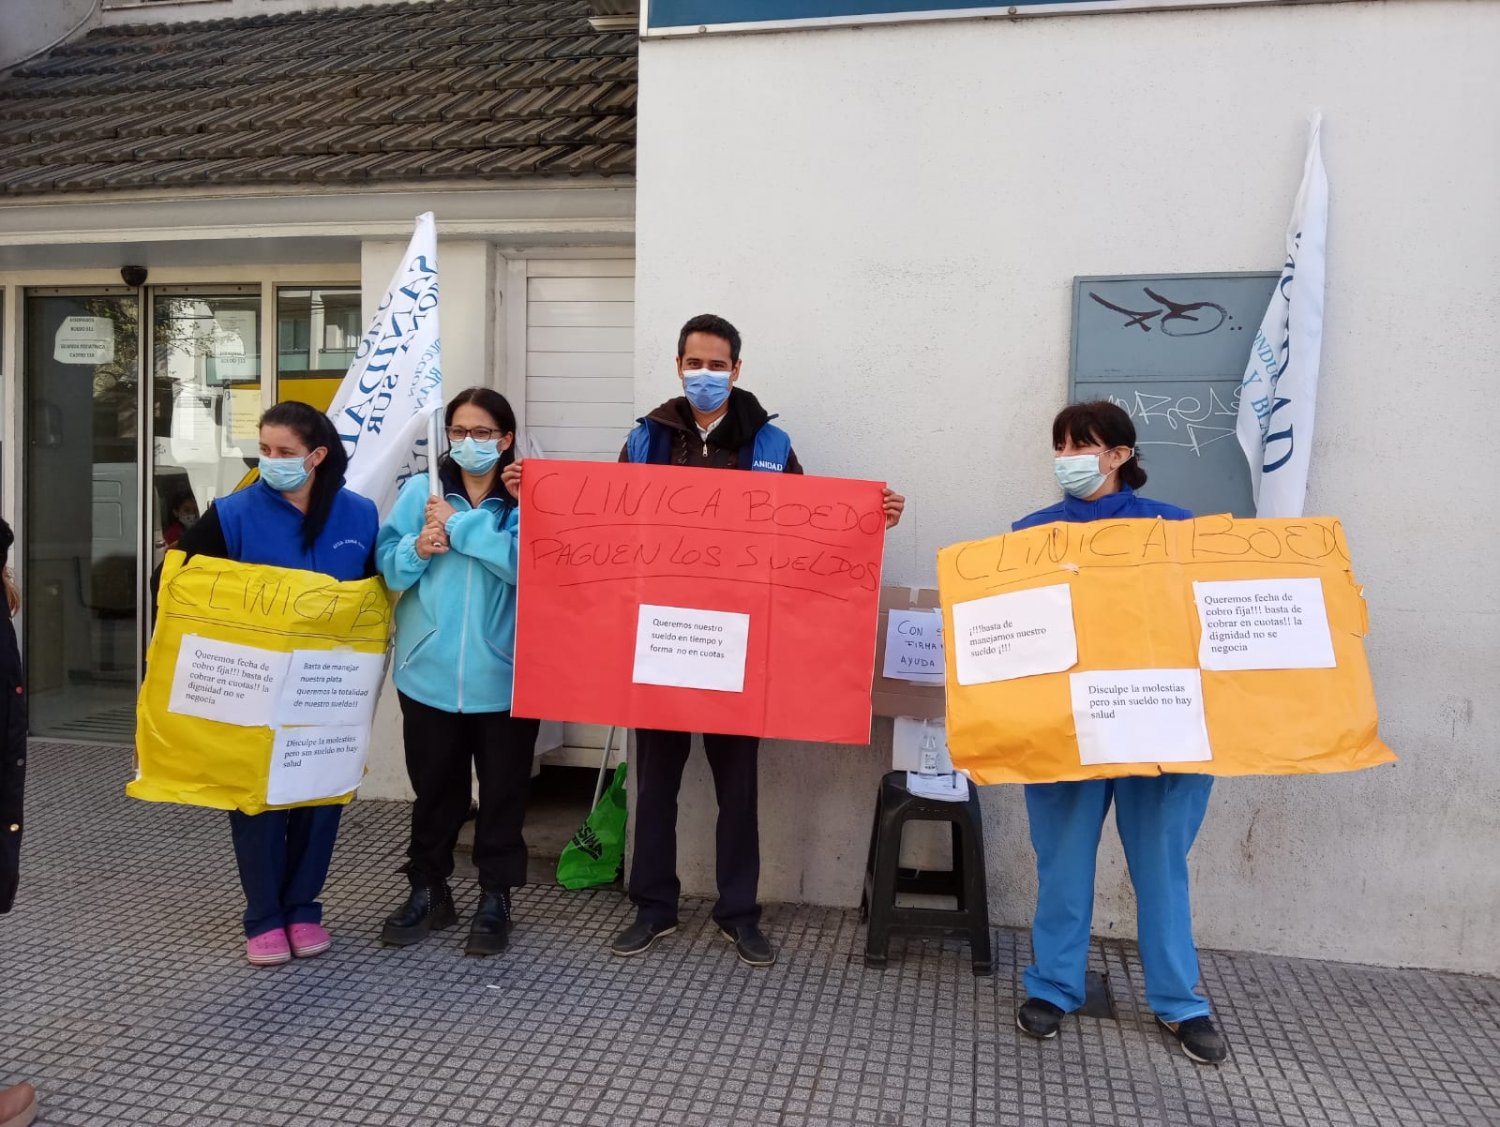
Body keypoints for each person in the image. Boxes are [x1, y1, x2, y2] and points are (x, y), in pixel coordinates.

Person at [503, 313, 905, 968]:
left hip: (738, 650)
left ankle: (738, 912)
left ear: (737, 370)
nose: (706, 374)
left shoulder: (771, 444)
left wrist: (871, 516)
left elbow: (811, 531)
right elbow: (601, 518)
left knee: (736, 788)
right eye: (695, 362)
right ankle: (653, 906)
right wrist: (536, 498)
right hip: (659, 641)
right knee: (654, 785)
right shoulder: (646, 439)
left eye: (718, 364)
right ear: (678, 365)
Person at [1011, 400, 1228, 1065]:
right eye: (1060, 445)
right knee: (1064, 863)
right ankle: (1053, 985)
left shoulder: (1177, 530)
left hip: (1160, 728)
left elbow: (1209, 628)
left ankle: (1179, 1000)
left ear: (1120, 455)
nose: (1068, 457)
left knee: (1162, 866)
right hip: (1065, 728)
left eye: (1082, 445)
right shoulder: (1031, 533)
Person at [160, 401, 379, 966]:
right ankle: (262, 917)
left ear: (318, 456)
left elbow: (377, 595)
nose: (272, 461)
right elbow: (179, 584)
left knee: (320, 799)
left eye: (285, 452)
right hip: (252, 686)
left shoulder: (359, 516)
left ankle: (304, 909)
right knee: (256, 802)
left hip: (327, 687)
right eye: (265, 450)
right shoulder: (232, 513)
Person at [377, 387, 539, 958]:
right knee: (435, 792)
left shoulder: (527, 502)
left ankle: (496, 896)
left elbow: (529, 569)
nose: (471, 443)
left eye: (484, 433)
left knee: (502, 794)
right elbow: (388, 568)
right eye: (461, 433)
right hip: (428, 674)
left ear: (507, 438)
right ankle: (428, 888)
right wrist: (418, 548)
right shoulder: (421, 493)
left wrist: (463, 528)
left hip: (509, 678)